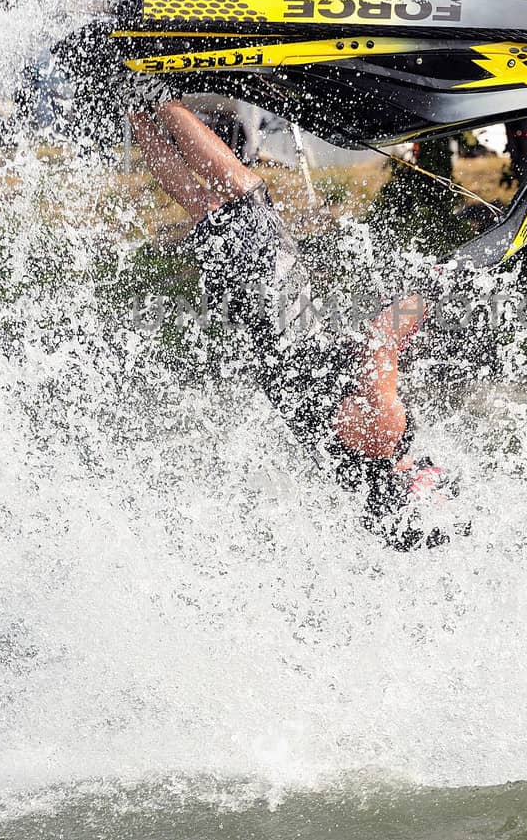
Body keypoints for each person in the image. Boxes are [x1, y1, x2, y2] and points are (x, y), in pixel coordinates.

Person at [128, 97, 453, 549]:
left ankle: (155, 94)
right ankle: (133, 103)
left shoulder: (385, 434)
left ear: (411, 494)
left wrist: (432, 293)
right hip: (266, 334)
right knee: (203, 206)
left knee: (243, 193)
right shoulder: (359, 468)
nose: (442, 482)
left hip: (280, 315)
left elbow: (380, 338)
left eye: (436, 493)